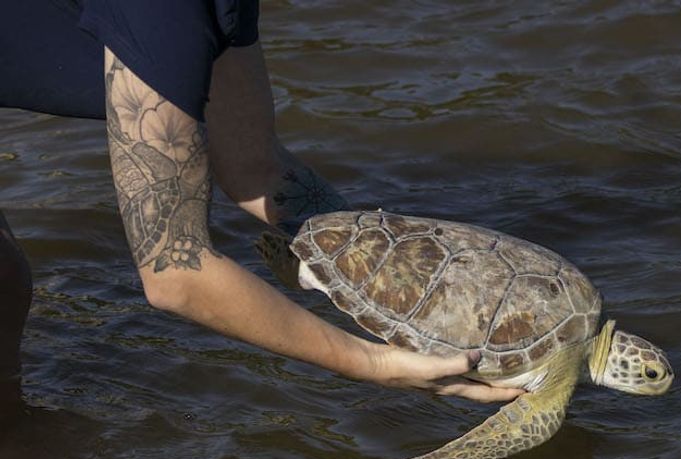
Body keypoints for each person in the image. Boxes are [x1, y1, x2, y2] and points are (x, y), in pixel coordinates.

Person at [0, 1, 522, 409]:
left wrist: (401, 274)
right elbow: (175, 271)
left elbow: (255, 168)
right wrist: (374, 362)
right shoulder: (165, 10)